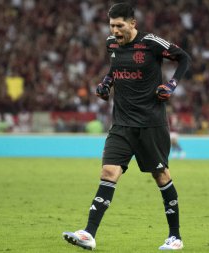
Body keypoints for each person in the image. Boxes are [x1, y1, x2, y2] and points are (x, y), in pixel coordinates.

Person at [62, 2, 191, 251]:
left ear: (133, 24)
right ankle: (89, 233)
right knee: (108, 172)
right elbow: (115, 67)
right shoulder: (112, 44)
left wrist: (172, 85)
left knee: (161, 175)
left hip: (150, 125)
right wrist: (106, 83)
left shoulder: (151, 43)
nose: (115, 31)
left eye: (119, 25)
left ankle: (175, 236)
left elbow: (184, 58)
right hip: (121, 124)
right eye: (111, 26)